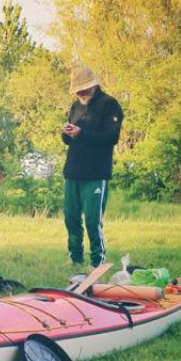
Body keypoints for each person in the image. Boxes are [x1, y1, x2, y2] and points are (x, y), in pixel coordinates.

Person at [61, 66, 123, 268]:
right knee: (70, 217)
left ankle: (97, 260)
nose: (80, 93)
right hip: (73, 171)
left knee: (92, 220)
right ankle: (75, 257)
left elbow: (111, 137)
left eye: (83, 89)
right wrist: (67, 133)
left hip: (96, 173)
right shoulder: (75, 106)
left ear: (94, 85)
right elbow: (68, 140)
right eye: (77, 90)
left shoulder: (110, 105)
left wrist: (82, 133)